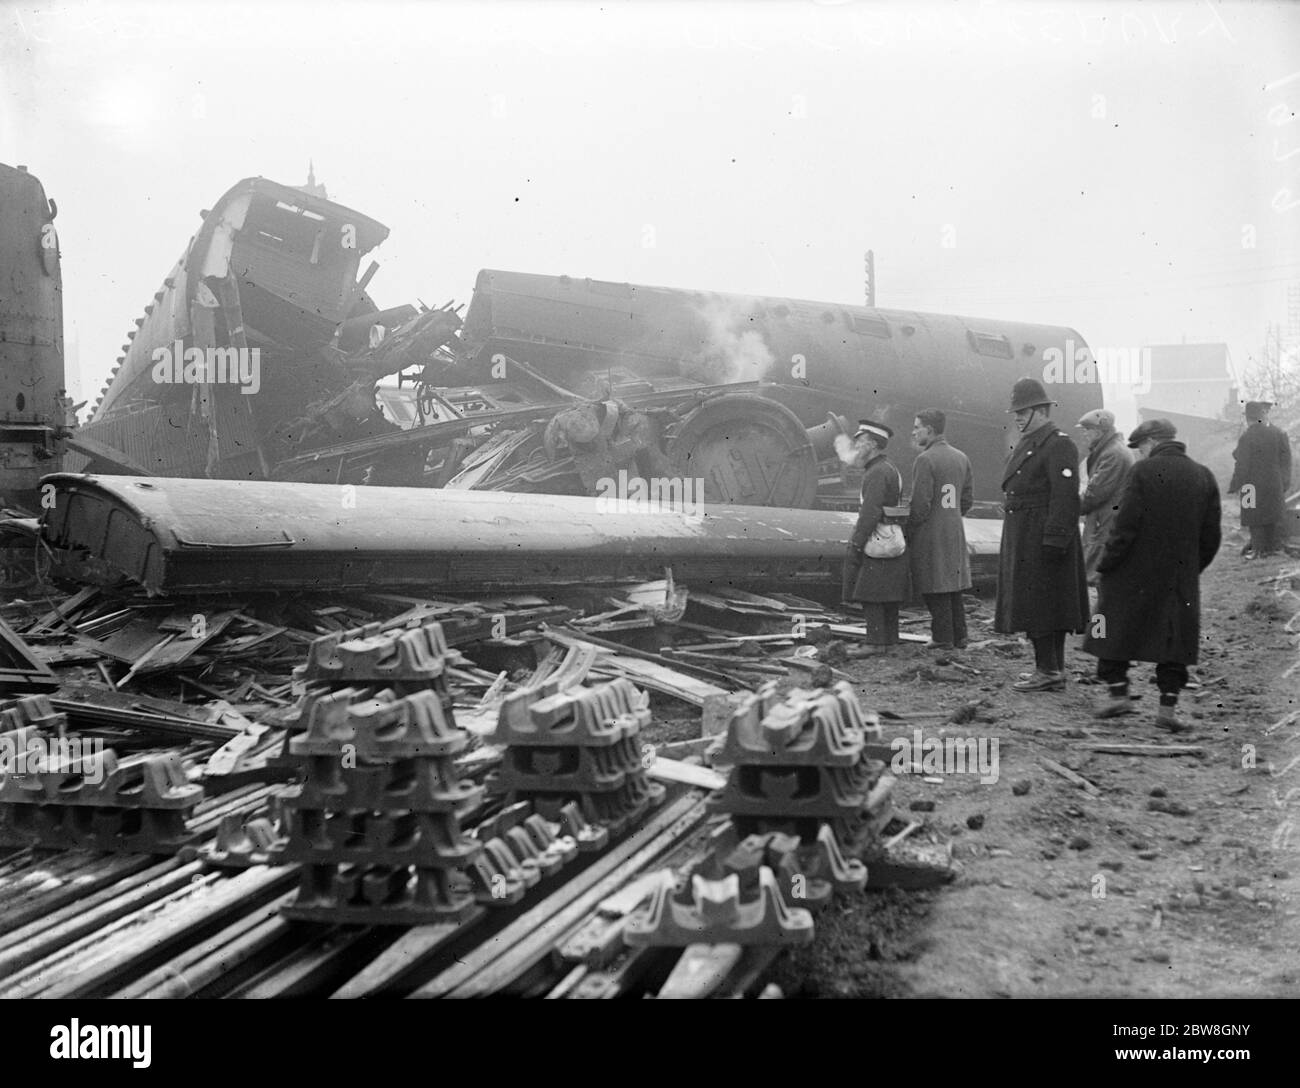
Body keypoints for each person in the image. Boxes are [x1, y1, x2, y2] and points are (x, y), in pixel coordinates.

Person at [1082, 419, 1221, 733]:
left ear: (1153, 442)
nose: (1141, 454)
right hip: (1178, 577)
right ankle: (1167, 709)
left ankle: (1118, 694)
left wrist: (1107, 563)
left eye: (1142, 447)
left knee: (1111, 626)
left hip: (1133, 571)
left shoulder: (1142, 472)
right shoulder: (1203, 475)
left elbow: (1125, 525)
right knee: (1175, 640)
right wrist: (1190, 569)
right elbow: (1211, 536)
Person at [994, 378, 1089, 691]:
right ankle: (1051, 669)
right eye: (1017, 412)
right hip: (1026, 532)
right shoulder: (1032, 441)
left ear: (1041, 410)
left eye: (1023, 411)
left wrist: (1054, 540)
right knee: (1040, 603)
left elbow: (1065, 497)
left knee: (1043, 604)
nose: (1018, 417)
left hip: (1041, 535)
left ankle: (1048, 670)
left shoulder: (1058, 443)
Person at [907, 408, 973, 649]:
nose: (914, 433)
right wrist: (951, 515)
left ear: (930, 430)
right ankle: (960, 636)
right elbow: (966, 500)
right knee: (952, 584)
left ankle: (942, 637)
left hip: (931, 531)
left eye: (917, 427)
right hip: (955, 529)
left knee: (933, 583)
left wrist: (910, 530)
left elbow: (921, 504)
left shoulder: (925, 459)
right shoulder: (961, 457)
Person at [843, 419, 912, 646]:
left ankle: (874, 643)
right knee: (888, 596)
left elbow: (870, 512)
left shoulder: (876, 472)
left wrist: (856, 543)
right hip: (892, 537)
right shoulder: (888, 468)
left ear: (872, 444)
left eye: (860, 441)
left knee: (869, 594)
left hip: (877, 540)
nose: (857, 447)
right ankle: (890, 640)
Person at [1076, 408, 1134, 585]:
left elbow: (1095, 493)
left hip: (1106, 525)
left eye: (1087, 430)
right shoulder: (1111, 450)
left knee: (1099, 578)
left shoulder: (1112, 454)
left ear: (1099, 431)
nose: (1084, 434)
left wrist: (1071, 505)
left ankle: (1103, 614)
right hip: (1108, 523)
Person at [1228, 400, 1292, 558]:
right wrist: (1284, 482)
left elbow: (1241, 465)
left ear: (1248, 418)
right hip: (1274, 484)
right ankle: (1271, 549)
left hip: (1250, 486)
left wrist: (1235, 485)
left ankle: (1257, 549)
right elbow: (1287, 461)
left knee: (1253, 518)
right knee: (1272, 516)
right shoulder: (1279, 433)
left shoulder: (1246, 437)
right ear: (1262, 416)